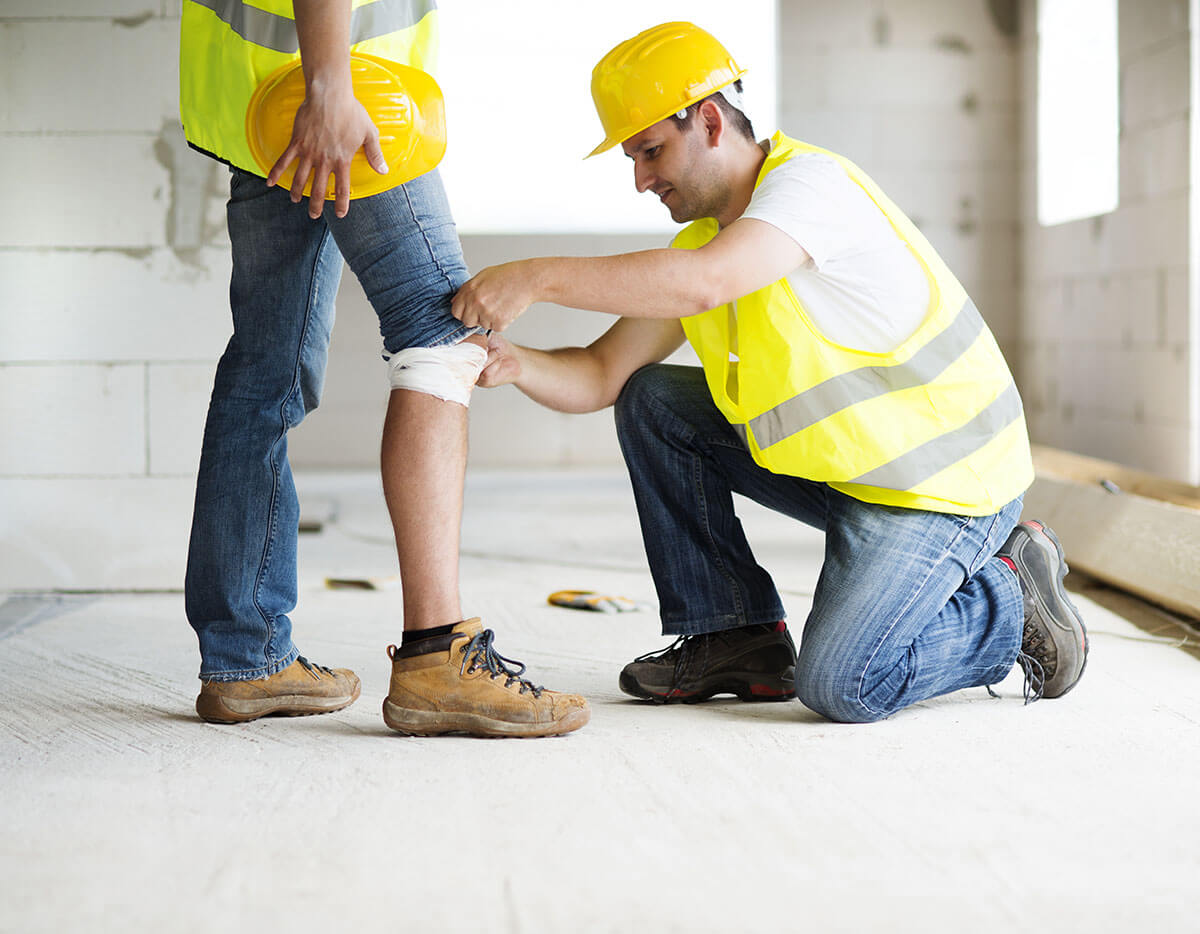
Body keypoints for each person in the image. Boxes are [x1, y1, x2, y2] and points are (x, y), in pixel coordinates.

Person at [450, 21, 1088, 722]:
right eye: (632, 159)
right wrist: (516, 364)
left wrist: (535, 276)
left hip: (943, 485)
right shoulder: (703, 244)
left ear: (711, 121)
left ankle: (1009, 599)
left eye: (651, 151)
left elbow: (703, 283)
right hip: (858, 475)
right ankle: (735, 635)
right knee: (652, 399)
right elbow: (602, 374)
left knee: (844, 683)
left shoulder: (811, 187)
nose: (640, 179)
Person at [178, 0, 588, 738]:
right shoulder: (335, 88)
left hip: (261, 95)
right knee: (444, 337)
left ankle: (246, 660)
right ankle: (437, 655)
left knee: (265, 369)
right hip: (346, 97)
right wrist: (330, 84)